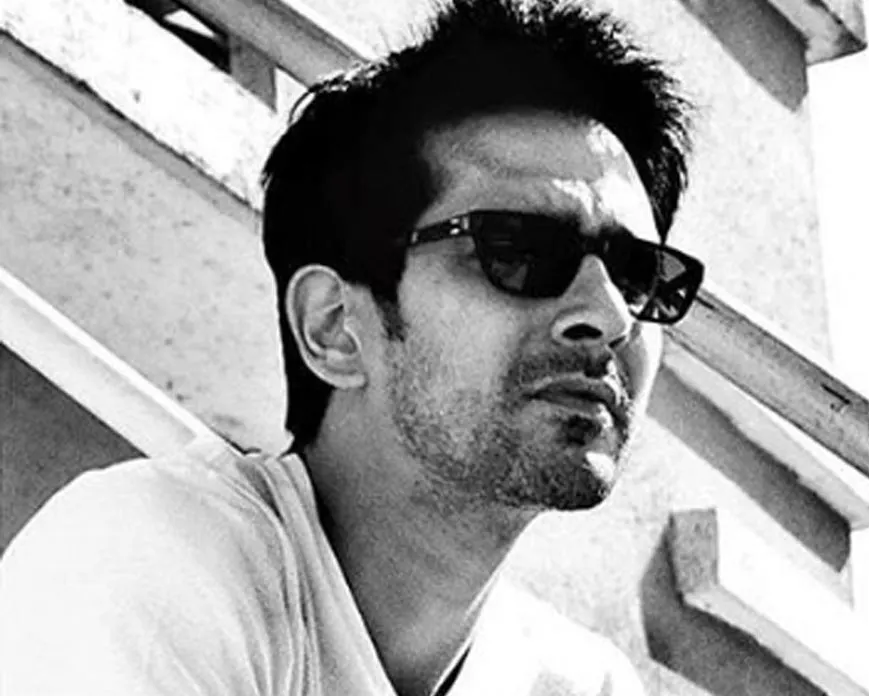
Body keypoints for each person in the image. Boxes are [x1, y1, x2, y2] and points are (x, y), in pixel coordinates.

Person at [0, 0, 704, 694]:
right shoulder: (149, 559)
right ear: (335, 326)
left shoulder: (585, 685)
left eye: (637, 273)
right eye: (519, 250)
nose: (610, 314)